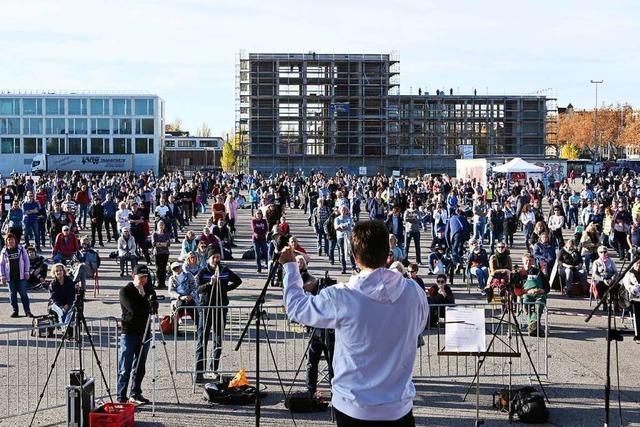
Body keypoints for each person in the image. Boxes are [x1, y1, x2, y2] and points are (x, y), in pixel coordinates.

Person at [281, 220, 428, 426]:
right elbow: (418, 328)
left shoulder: (342, 296)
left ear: (354, 257)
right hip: (397, 405)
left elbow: (297, 308)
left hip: (354, 406)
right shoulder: (414, 292)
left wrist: (290, 266)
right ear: (388, 253)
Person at [194, 252, 242, 383]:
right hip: (206, 308)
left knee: (218, 339)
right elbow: (197, 289)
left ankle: (213, 368)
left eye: (218, 257)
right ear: (208, 258)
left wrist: (225, 289)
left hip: (220, 308)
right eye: (213, 257)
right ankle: (198, 372)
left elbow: (238, 280)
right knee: (202, 339)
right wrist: (209, 284)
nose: (216, 259)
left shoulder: (224, 270)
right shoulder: (203, 272)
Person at [117, 264, 156, 405]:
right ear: (134, 276)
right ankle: (121, 397)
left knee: (140, 366)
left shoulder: (149, 289)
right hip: (129, 332)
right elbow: (133, 310)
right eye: (141, 277)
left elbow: (154, 307)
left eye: (146, 277)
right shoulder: (125, 291)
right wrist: (143, 298)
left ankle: (136, 392)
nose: (144, 280)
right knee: (125, 367)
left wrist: (145, 297)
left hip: (144, 332)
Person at [514, 253, 549, 336]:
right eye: (526, 261)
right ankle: (535, 326)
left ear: (533, 261)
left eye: (530, 261)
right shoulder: (519, 273)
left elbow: (547, 287)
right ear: (523, 261)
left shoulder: (539, 272)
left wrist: (542, 290)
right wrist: (527, 292)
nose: (528, 262)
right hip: (526, 295)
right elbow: (516, 291)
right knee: (526, 306)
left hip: (539, 294)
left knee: (539, 305)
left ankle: (532, 326)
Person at [0, 233, 32, 318]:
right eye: (9, 240)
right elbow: (1, 264)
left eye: (12, 239)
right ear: (6, 242)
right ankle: (15, 311)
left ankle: (27, 311)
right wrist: (2, 276)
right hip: (10, 278)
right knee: (12, 294)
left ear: (15, 240)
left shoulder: (21, 249)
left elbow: (26, 260)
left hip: (21, 276)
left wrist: (27, 272)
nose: (11, 241)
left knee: (23, 294)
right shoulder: (4, 252)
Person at [334, 205, 356, 274]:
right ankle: (343, 268)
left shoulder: (349, 218)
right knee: (342, 252)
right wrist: (342, 226)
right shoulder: (337, 219)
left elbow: (349, 226)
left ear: (347, 211)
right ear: (340, 211)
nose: (343, 211)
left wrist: (342, 226)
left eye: (345, 210)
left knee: (351, 252)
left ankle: (353, 267)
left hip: (348, 237)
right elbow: (336, 227)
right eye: (342, 210)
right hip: (340, 237)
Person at [151, 220, 171, 289]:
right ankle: (159, 283)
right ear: (157, 226)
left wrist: (159, 243)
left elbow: (168, 243)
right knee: (158, 268)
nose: (161, 226)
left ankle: (163, 283)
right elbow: (154, 244)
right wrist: (163, 244)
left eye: (162, 225)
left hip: (165, 253)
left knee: (164, 268)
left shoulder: (166, 233)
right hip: (157, 253)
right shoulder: (154, 234)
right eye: (160, 225)